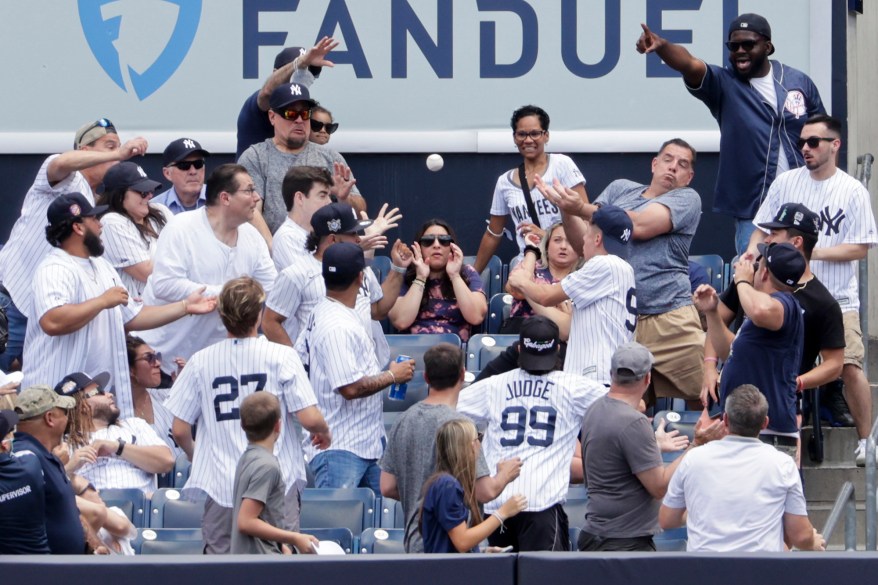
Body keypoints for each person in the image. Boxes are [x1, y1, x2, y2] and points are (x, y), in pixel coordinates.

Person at [636, 13, 826, 254]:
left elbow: (824, 137)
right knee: (756, 275)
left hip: (805, 201)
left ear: (767, 46)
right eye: (734, 46)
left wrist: (827, 188)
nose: (740, 51)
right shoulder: (724, 83)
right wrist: (662, 48)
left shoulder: (797, 81)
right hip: (755, 209)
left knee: (810, 276)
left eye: (749, 44)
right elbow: (690, 64)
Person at [167, 277, 330, 554]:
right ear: (259, 314)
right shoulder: (282, 356)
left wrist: (200, 456)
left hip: (222, 484)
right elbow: (309, 419)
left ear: (222, 315)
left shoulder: (200, 361)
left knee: (222, 573)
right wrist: (324, 431)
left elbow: (180, 430)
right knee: (279, 568)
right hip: (274, 484)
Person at [750, 114, 878, 466]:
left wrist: (810, 252)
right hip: (785, 296)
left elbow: (861, 246)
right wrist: (751, 255)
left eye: (814, 142)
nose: (804, 147)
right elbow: (761, 228)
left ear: (834, 145)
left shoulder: (851, 189)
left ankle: (866, 440)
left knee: (850, 365)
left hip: (835, 297)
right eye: (802, 142)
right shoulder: (787, 182)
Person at [21, 193, 216, 417]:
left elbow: (133, 316)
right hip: (54, 395)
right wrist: (102, 301)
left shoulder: (102, 267)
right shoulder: (54, 268)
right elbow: (52, 321)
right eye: (93, 219)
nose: (100, 224)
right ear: (78, 228)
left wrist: (184, 307)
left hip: (95, 395)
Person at [539, 140, 703, 405]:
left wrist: (580, 207)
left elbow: (638, 224)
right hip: (622, 324)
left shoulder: (688, 198)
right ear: (654, 163)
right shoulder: (620, 189)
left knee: (707, 396)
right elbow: (587, 241)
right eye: (668, 159)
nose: (673, 167)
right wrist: (567, 211)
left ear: (689, 177)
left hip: (671, 318)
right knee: (624, 408)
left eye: (682, 164)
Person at [0, 118, 147, 372]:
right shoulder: (64, 176)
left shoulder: (95, 202)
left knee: (33, 403)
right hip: (12, 303)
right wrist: (120, 152)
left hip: (54, 311)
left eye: (118, 148)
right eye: (109, 146)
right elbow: (61, 162)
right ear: (84, 151)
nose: (116, 155)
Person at [456, 316, 608, 551]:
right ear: (557, 348)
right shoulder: (574, 386)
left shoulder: (493, 385)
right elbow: (624, 406)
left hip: (497, 504)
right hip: (541, 503)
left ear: (520, 348)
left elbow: (448, 411)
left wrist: (474, 445)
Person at [702, 204, 844, 452]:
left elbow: (834, 363)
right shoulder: (752, 287)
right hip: (736, 411)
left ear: (796, 241)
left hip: (772, 415)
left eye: (775, 234)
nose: (767, 238)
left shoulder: (800, 301)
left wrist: (797, 382)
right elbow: (733, 348)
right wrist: (709, 366)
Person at [380, 342, 523, 552]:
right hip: (448, 550)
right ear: (463, 374)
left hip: (415, 546)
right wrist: (505, 475)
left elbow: (387, 486)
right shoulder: (462, 428)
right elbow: (485, 492)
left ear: (426, 377)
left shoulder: (402, 420)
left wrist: (426, 499)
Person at [296, 243, 414, 493]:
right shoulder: (336, 325)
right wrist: (392, 375)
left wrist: (397, 270)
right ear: (361, 277)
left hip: (366, 442)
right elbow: (349, 388)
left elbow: (379, 308)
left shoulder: (326, 310)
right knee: (333, 529)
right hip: (339, 447)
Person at [579, 342, 719, 552]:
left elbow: (613, 457)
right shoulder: (635, 423)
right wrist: (696, 445)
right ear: (647, 379)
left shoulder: (594, 409)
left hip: (597, 536)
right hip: (624, 543)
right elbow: (659, 487)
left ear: (611, 375)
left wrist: (653, 447)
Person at [139, 164, 276, 375]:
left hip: (216, 364)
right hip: (165, 363)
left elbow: (272, 287)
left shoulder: (252, 236)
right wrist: (230, 295)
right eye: (248, 191)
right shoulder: (181, 228)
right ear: (225, 198)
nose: (257, 197)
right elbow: (164, 285)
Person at [660, 384, 826, 552]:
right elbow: (801, 536)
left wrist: (704, 511)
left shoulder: (693, 459)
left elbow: (667, 520)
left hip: (704, 573)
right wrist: (812, 542)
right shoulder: (783, 464)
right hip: (762, 573)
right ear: (765, 423)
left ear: (725, 419)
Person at [694, 242, 805, 458]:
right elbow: (731, 353)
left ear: (763, 272)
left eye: (759, 263)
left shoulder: (785, 303)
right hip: (743, 430)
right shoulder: (761, 310)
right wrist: (713, 313)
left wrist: (742, 280)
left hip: (768, 434)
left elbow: (760, 310)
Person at [507, 206, 635, 385]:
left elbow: (546, 296)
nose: (582, 240)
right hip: (606, 372)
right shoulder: (623, 267)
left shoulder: (603, 264)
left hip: (597, 375)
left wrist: (522, 281)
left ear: (597, 238)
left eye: (586, 235)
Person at [264, 202, 402, 362]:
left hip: (363, 365)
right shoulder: (297, 273)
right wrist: (296, 362)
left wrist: (398, 269)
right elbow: (270, 321)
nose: (359, 239)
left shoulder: (359, 266)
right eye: (353, 234)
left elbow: (378, 311)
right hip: (320, 372)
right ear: (333, 239)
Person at [238, 82, 365, 234]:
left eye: (305, 114)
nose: (299, 120)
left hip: (323, 252)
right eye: (290, 113)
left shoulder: (331, 157)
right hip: (273, 253)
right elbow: (251, 213)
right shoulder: (256, 157)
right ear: (272, 117)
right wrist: (274, 249)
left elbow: (360, 214)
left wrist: (344, 199)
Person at [474, 105, 587, 273]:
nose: (528, 140)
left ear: (546, 136)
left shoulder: (562, 165)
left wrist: (545, 237)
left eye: (535, 133)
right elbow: (492, 234)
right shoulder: (504, 182)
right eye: (521, 134)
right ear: (514, 138)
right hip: (529, 267)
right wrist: (472, 277)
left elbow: (586, 220)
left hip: (566, 268)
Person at [420, 418, 528, 553]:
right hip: (446, 573)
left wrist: (481, 551)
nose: (479, 444)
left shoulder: (448, 483)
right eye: (478, 438)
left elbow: (452, 542)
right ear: (471, 446)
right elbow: (462, 541)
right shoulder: (447, 485)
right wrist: (503, 512)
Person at [232, 392, 320, 555]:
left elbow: (262, 518)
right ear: (278, 426)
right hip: (261, 568)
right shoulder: (267, 466)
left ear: (242, 426)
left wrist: (281, 546)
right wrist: (294, 538)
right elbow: (246, 521)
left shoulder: (246, 458)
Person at [62, 379, 174, 496]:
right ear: (82, 407)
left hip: (139, 506)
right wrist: (70, 468)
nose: (110, 394)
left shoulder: (134, 425)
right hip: (92, 508)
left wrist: (117, 447)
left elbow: (166, 461)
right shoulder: (63, 443)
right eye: (100, 392)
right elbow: (48, 490)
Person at [236, 38, 336, 159]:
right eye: (297, 70)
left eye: (307, 71)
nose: (302, 75)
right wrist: (299, 62)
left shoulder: (307, 107)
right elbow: (267, 93)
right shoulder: (260, 104)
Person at [389, 219, 487, 342]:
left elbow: (476, 316)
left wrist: (455, 275)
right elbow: (400, 321)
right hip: (414, 351)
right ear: (418, 247)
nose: (436, 245)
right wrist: (421, 277)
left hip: (454, 355)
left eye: (444, 240)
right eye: (428, 241)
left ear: (452, 246)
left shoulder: (467, 273)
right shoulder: (405, 276)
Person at [12, 385, 82, 554]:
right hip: (43, 572)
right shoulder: (25, 457)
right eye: (64, 412)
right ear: (50, 418)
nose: (67, 418)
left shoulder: (41, 456)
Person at [98, 162, 172, 297]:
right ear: (119, 195)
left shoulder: (161, 211)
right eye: (143, 192)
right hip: (135, 310)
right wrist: (184, 259)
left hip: (170, 302)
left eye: (150, 190)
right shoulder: (112, 222)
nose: (150, 195)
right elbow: (146, 273)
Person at [503, 222, 581, 335]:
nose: (563, 246)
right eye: (557, 240)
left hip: (561, 339)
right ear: (547, 246)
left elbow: (571, 326)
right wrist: (531, 251)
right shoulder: (531, 265)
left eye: (570, 241)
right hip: (520, 332)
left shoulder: (582, 278)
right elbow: (517, 290)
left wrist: (528, 289)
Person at [0, 409, 51, 554]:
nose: (14, 436)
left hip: (5, 570)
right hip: (41, 562)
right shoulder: (30, 461)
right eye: (11, 432)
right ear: (4, 444)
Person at [272, 166, 335, 271]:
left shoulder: (322, 234)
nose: (329, 202)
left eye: (329, 196)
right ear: (300, 198)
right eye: (322, 196)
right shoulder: (287, 238)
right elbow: (310, 282)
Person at [125, 335, 179, 455]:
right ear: (130, 369)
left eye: (157, 356)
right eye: (149, 358)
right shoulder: (112, 407)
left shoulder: (169, 396)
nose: (158, 363)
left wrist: (185, 387)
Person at [153, 137, 210, 214]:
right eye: (184, 165)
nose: (193, 171)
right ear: (167, 173)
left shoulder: (223, 201)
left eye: (198, 164)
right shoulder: (154, 209)